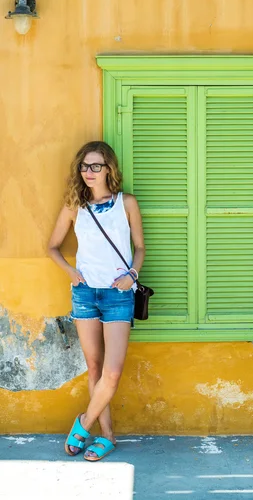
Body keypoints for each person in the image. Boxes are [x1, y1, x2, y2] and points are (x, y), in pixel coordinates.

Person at [48, 141, 145, 461]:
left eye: (95, 166)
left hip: (118, 295)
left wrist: (132, 274)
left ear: (109, 169)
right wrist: (71, 272)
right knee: (94, 367)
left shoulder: (126, 203)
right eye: (84, 166)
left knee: (112, 372)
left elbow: (140, 248)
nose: (88, 172)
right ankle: (107, 436)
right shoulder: (74, 204)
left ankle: (84, 423)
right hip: (85, 294)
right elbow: (53, 247)